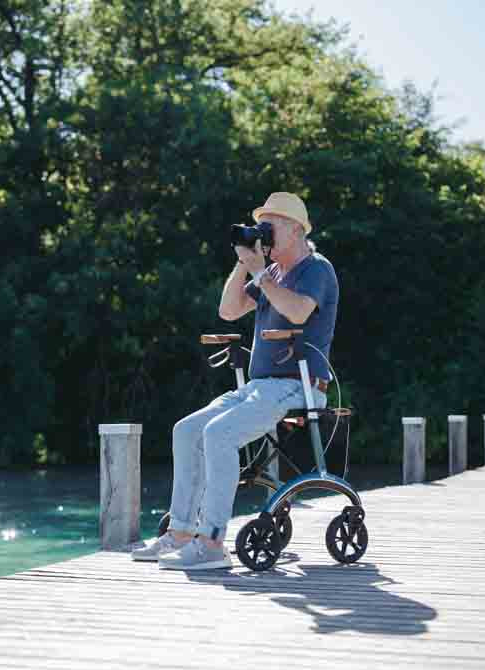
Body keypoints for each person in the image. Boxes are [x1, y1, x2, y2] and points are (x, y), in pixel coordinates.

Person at [132, 191, 339, 570]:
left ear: (294, 229)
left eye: (270, 225)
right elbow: (228, 311)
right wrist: (245, 263)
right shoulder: (270, 272)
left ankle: (211, 543)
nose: (264, 233)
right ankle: (179, 532)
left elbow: (296, 312)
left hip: (300, 385)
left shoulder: (317, 269)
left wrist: (260, 272)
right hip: (259, 387)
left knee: (219, 434)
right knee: (186, 430)